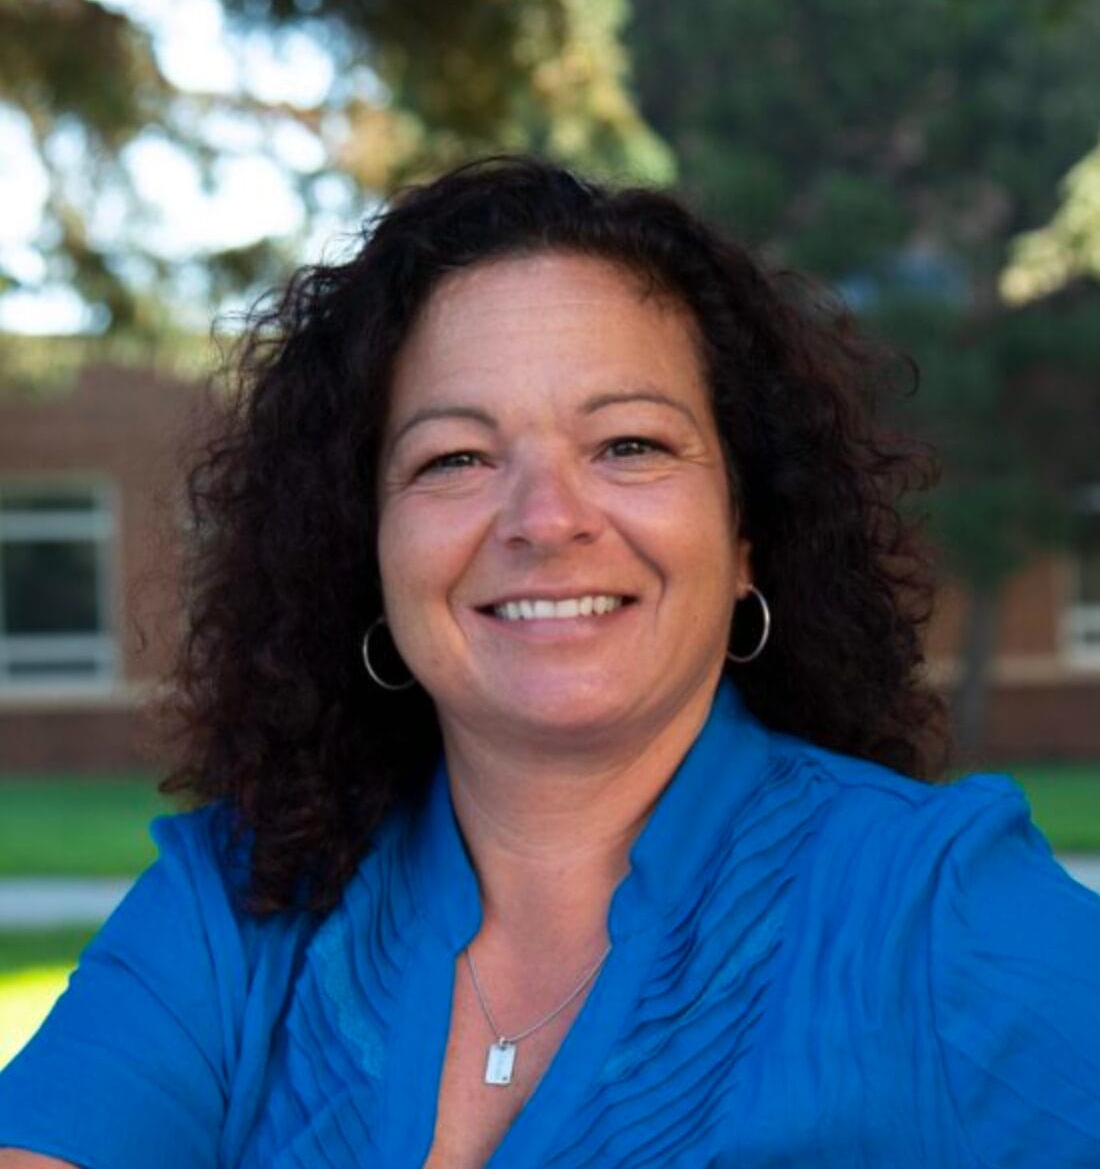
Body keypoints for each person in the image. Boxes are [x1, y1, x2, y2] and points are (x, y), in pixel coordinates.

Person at [1, 156, 1098, 1168]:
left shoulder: (936, 913)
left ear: (745, 539)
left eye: (627, 444)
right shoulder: (232, 911)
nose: (544, 517)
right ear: (367, 547)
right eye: (455, 458)